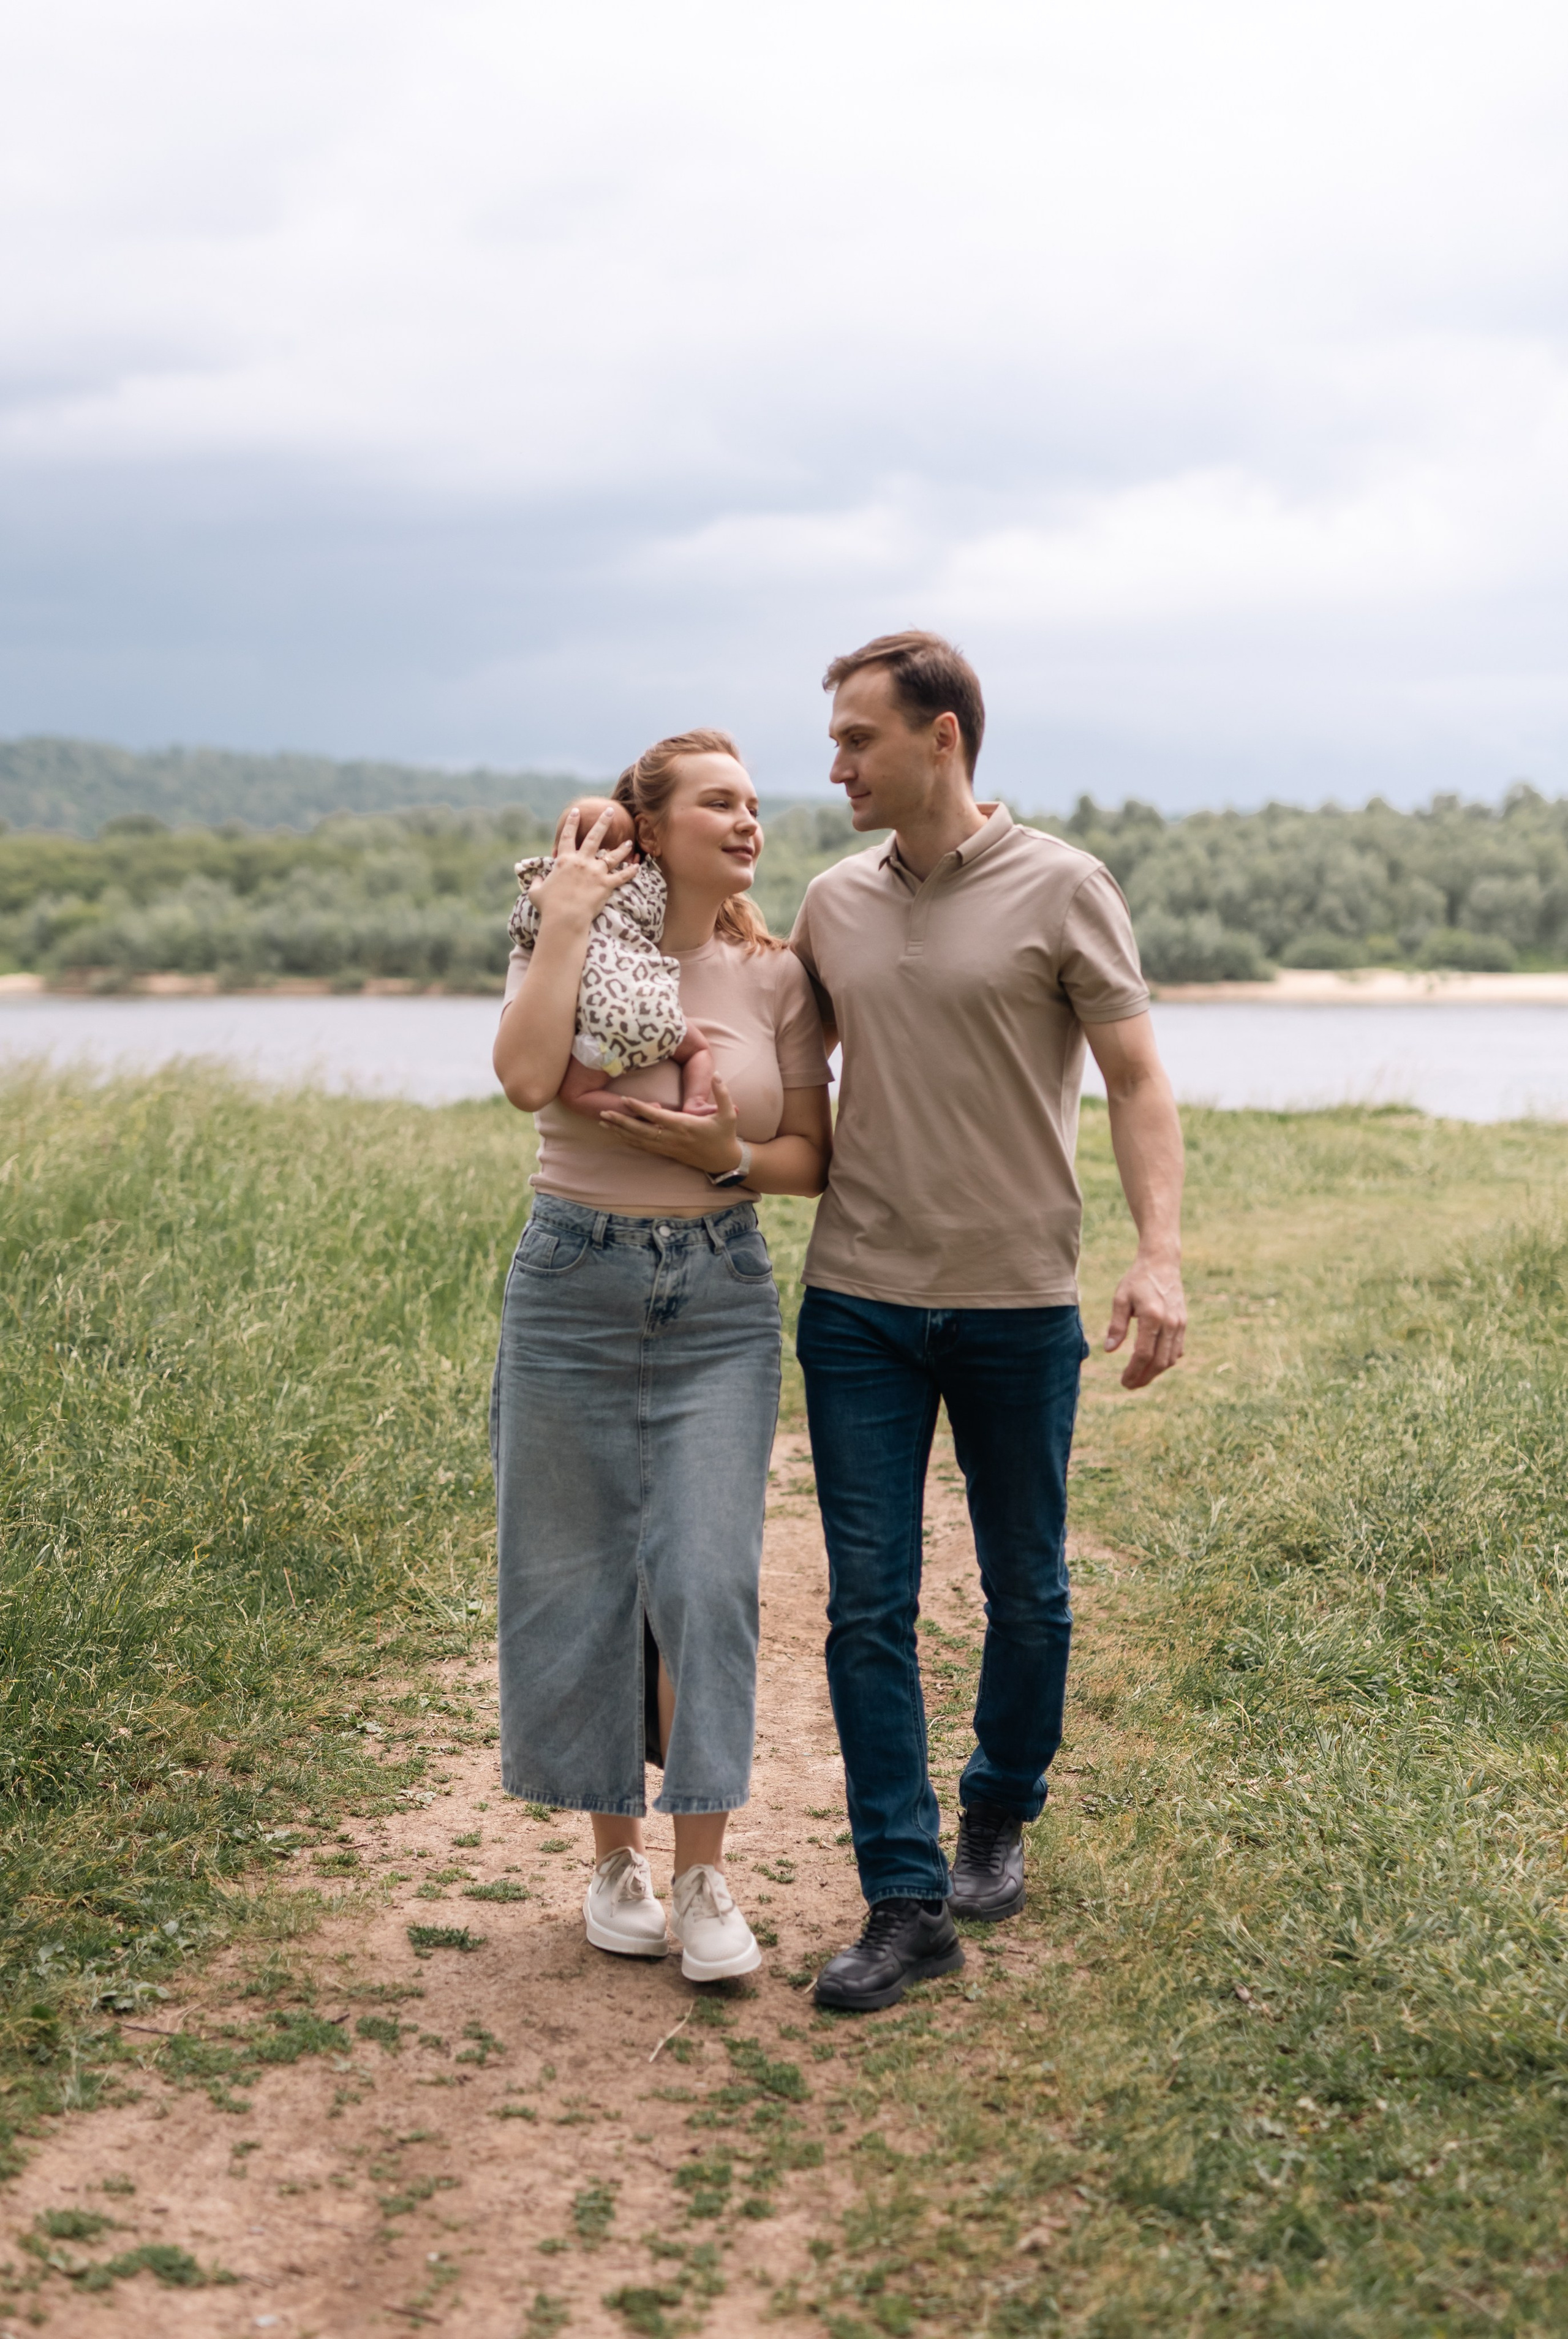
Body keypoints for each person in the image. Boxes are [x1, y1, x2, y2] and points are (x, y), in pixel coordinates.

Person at [790, 632, 1186, 2013]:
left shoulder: (1064, 885)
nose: (834, 763)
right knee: (866, 1604)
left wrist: (1157, 1256)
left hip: (1018, 1301)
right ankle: (903, 1899)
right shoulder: (829, 902)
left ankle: (997, 1809)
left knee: (1026, 1586)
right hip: (857, 1306)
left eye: (857, 739)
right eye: (834, 739)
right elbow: (756, 1031)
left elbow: (1136, 1077)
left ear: (941, 737)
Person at [491, 729, 832, 1983]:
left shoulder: (776, 976)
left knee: (703, 1582)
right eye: (717, 802)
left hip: (716, 1292)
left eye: (753, 800)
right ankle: (613, 1866)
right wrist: (572, 914)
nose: (747, 819)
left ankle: (703, 1874)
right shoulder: (569, 934)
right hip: (570, 1282)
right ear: (652, 822)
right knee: (579, 1577)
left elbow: (808, 1153)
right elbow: (528, 1079)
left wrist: (714, 1160)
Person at [510, 794, 718, 1122]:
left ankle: (638, 1112)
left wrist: (544, 901)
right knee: (700, 1051)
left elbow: (521, 931)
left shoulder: (547, 894)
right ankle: (695, 1101)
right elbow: (653, 925)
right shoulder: (642, 888)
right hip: (657, 1009)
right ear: (633, 856)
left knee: (576, 1094)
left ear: (557, 854)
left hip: (602, 1031)